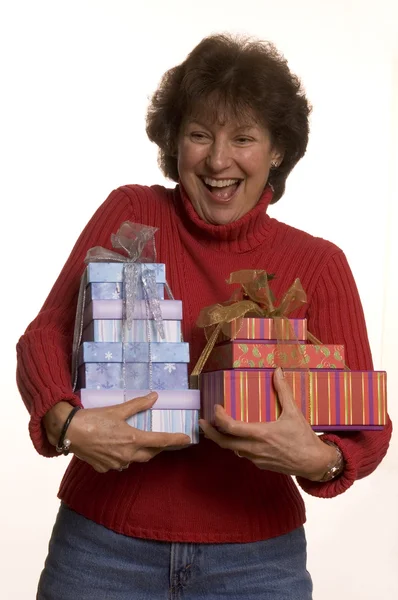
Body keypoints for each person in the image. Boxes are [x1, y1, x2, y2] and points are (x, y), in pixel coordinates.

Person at [17, 34, 392, 600]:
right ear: (174, 142)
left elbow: (368, 423)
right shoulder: (132, 213)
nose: (218, 160)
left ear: (276, 151)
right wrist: (64, 423)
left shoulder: (318, 264)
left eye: (243, 138)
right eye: (199, 135)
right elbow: (45, 335)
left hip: (257, 564)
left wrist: (320, 459)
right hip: (102, 548)